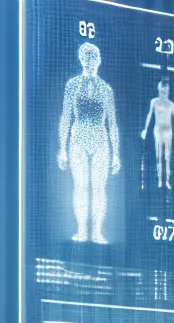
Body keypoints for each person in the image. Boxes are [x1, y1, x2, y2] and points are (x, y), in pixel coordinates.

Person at [57, 42, 119, 244]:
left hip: (100, 140)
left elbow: (112, 123)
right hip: (78, 138)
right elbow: (66, 116)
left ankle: (97, 232)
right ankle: (82, 231)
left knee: (99, 188)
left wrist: (116, 154)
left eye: (94, 58)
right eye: (87, 58)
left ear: (99, 61)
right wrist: (62, 149)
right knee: (81, 186)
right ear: (81, 60)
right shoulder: (73, 85)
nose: (90, 62)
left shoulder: (106, 89)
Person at [140, 79, 174, 190]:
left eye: (166, 91)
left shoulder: (171, 104)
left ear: (168, 91)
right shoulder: (154, 102)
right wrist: (145, 129)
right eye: (162, 91)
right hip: (158, 130)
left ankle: (167, 181)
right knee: (159, 156)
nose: (164, 93)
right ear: (159, 90)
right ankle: (160, 180)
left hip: (168, 131)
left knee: (167, 157)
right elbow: (149, 115)